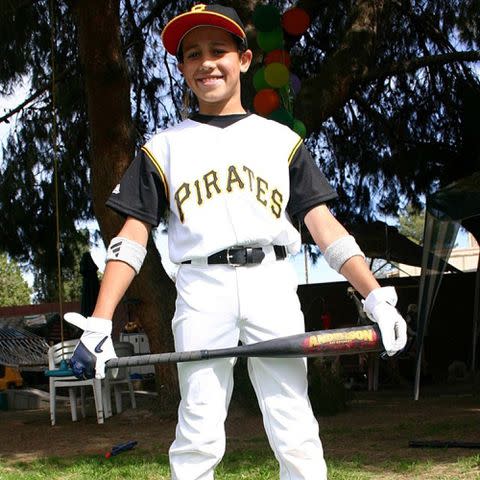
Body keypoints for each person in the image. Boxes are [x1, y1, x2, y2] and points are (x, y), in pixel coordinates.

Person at [64, 4, 407, 479]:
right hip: (202, 288)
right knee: (199, 429)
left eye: (218, 50)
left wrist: (375, 296)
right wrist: (100, 323)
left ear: (244, 60)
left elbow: (323, 224)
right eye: (193, 54)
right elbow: (132, 235)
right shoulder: (162, 147)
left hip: (271, 282)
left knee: (294, 425)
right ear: (182, 68)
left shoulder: (281, 140)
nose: (206, 62)